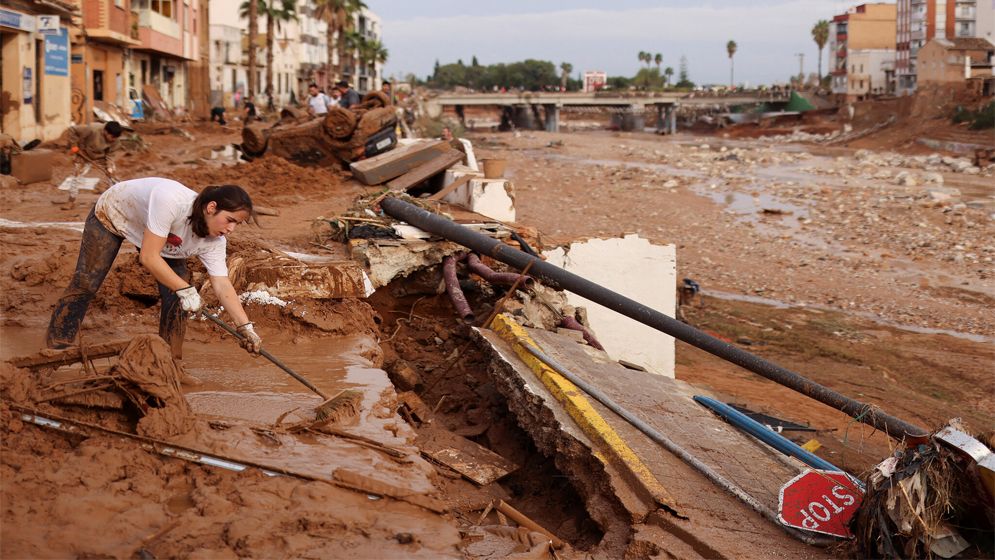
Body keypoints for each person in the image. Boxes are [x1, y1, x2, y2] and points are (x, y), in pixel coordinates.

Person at [46, 178, 263, 363]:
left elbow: (222, 283)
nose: (231, 229)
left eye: (237, 225)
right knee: (86, 283)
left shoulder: (215, 241)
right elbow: (149, 257)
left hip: (158, 233)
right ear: (211, 207)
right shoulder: (171, 201)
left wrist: (245, 327)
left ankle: (171, 363)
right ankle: (56, 348)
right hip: (115, 214)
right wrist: (186, 289)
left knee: (177, 297)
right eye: (230, 220)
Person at [65, 121, 123, 205]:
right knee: (77, 175)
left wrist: (109, 168)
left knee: (112, 176)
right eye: (112, 137)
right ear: (105, 132)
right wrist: (74, 145)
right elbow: (72, 130)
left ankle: (113, 200)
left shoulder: (116, 141)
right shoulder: (92, 129)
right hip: (84, 154)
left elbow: (110, 155)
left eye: (115, 138)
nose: (113, 139)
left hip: (100, 157)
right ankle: (71, 200)